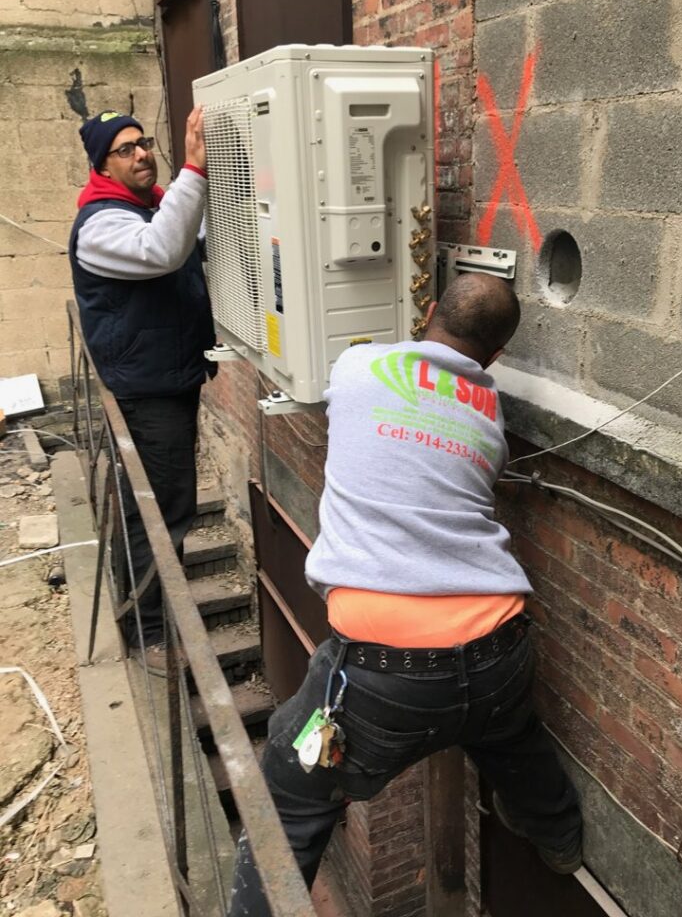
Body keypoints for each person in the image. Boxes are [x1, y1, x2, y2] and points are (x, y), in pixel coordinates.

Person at [228, 273, 582, 915]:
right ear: (496, 356)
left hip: (380, 681)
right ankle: (557, 838)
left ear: (427, 311)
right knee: (510, 740)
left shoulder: (359, 366)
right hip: (501, 655)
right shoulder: (489, 409)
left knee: (289, 787)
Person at [69, 107, 216, 658]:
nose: (142, 154)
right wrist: (195, 170)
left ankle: (147, 613)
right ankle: (151, 633)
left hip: (165, 375)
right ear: (102, 165)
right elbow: (163, 249)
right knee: (161, 508)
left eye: (144, 142)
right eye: (125, 150)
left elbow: (191, 231)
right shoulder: (102, 223)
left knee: (153, 502)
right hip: (147, 387)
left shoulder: (147, 205)